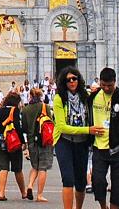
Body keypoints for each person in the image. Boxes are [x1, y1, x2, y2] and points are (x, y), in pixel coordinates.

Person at [85, 67, 119, 209]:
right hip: (99, 147)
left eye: (109, 85)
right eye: (103, 85)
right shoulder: (92, 97)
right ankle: (103, 206)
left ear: (115, 82)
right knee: (97, 181)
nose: (106, 88)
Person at [51, 68, 93, 209]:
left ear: (79, 79)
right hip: (64, 141)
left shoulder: (86, 97)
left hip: (81, 142)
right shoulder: (59, 98)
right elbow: (62, 126)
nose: (72, 82)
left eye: (74, 79)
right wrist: (88, 130)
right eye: (68, 80)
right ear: (63, 82)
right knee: (68, 179)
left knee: (81, 182)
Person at [0, 90, 28, 202]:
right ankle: (23, 193)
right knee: (17, 169)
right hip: (14, 143)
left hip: (1, 142)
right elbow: (18, 128)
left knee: (3, 167)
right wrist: (23, 142)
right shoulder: (15, 111)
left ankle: (1, 193)